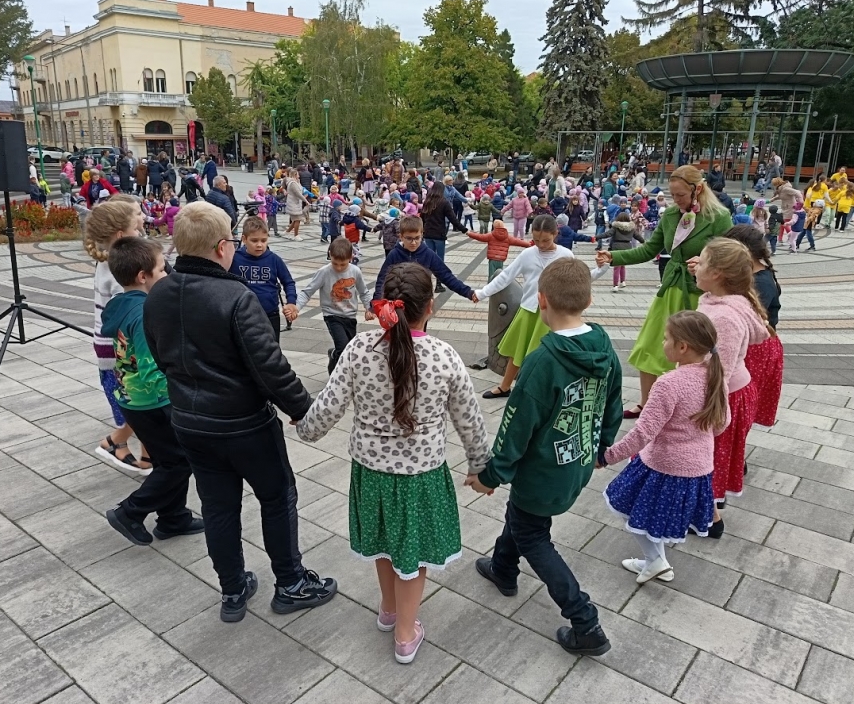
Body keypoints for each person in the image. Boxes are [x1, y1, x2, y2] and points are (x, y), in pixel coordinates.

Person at [143, 201, 338, 622]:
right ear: (222, 247)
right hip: (244, 424)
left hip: (191, 424)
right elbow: (269, 367)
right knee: (277, 496)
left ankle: (232, 589)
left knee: (218, 506)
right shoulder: (236, 296)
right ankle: (290, 582)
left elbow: (162, 356)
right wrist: (306, 411)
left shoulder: (157, 294)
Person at [297, 263, 489, 664]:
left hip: (370, 473)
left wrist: (305, 429)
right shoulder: (444, 356)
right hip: (421, 475)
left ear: (385, 304)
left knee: (385, 544)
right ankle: (405, 633)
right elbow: (469, 418)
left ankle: (389, 610)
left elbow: (327, 407)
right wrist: (479, 466)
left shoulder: (359, 349)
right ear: (430, 307)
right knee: (412, 554)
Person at [467, 258, 620, 657]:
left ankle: (585, 621)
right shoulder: (605, 349)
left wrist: (491, 474)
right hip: (578, 461)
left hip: (542, 473)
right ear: (588, 299)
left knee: (533, 535)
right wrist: (602, 446)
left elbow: (517, 428)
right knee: (524, 520)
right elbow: (613, 405)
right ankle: (502, 568)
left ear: (542, 300)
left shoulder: (541, 362)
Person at [596, 165, 733, 419]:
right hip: (670, 289)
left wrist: (705, 264)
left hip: (700, 294)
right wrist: (613, 256)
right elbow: (648, 250)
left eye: (681, 195)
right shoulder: (671, 215)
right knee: (649, 345)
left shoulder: (719, 217)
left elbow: (730, 257)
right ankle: (647, 406)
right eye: (673, 194)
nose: (676, 200)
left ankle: (688, 409)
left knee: (693, 354)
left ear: (698, 189)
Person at [600, 310, 730, 579]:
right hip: (699, 468)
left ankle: (654, 560)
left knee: (627, 506)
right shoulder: (716, 377)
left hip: (664, 465)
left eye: (666, 339)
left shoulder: (669, 384)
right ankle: (654, 562)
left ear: (682, 347)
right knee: (653, 517)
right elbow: (720, 425)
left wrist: (608, 456)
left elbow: (643, 433)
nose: (662, 343)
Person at [101, 236, 205, 545]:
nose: (167, 274)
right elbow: (150, 368)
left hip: (132, 400)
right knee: (181, 461)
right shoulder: (145, 311)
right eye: (162, 270)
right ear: (142, 276)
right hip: (153, 401)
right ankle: (130, 512)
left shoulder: (119, 305)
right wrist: (178, 397)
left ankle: (173, 518)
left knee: (166, 459)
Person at [689, 238, 770, 537]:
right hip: (725, 394)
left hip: (722, 398)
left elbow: (717, 372)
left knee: (704, 458)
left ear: (719, 274)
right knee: (703, 458)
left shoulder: (724, 317)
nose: (697, 264)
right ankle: (707, 516)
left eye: (704, 262)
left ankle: (710, 520)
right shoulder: (723, 299)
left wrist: (713, 414)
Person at [83, 196, 152, 474]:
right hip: (119, 351)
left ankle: (148, 459)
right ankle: (116, 441)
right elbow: (131, 310)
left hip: (114, 347)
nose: (141, 228)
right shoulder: (117, 268)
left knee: (147, 399)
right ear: (121, 236)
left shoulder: (109, 262)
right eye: (136, 228)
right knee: (143, 403)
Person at [477, 215, 577, 398]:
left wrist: (601, 269)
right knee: (517, 351)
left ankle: (542, 393)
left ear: (555, 234)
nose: (541, 244)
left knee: (547, 355)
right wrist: (482, 293)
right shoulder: (528, 254)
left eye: (545, 240)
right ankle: (505, 387)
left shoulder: (566, 255)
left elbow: (577, 280)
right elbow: (505, 276)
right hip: (529, 310)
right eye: (536, 239)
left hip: (554, 313)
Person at [725, 225, 783, 429]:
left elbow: (749, 318)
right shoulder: (749, 274)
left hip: (757, 349)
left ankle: (735, 453)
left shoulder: (762, 282)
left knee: (741, 403)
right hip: (750, 345)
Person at [295, 237, 375, 373]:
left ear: (351, 257)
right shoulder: (324, 272)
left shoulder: (355, 271)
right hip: (332, 315)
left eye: (342, 264)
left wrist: (370, 308)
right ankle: (335, 373)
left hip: (350, 316)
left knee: (350, 349)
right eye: (335, 263)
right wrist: (296, 308)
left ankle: (334, 354)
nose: (338, 268)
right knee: (343, 346)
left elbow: (364, 292)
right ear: (330, 255)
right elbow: (307, 292)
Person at [374, 215, 474, 301]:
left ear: (422, 235)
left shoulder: (428, 254)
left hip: (421, 302)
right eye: (409, 238)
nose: (413, 243)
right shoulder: (395, 254)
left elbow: (446, 276)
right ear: (401, 236)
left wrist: (468, 292)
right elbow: (382, 279)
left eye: (417, 238)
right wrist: (376, 302)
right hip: (398, 301)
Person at [234, 216, 298, 341]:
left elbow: (288, 282)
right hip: (243, 315)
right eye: (254, 240)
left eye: (263, 240)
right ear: (244, 239)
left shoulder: (274, 259)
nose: (259, 245)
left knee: (272, 350)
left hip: (270, 314)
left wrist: (291, 302)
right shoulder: (234, 258)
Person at [421, 181, 467, 292]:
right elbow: (453, 218)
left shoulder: (427, 201)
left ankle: (425, 285)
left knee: (429, 259)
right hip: (439, 235)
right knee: (439, 261)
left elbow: (422, 218)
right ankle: (438, 285)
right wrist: (464, 229)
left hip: (428, 234)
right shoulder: (444, 202)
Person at [466, 218, 532, 281]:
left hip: (493, 260)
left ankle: (490, 290)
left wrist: (469, 233)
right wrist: (529, 244)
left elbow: (480, 237)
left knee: (491, 276)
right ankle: (498, 289)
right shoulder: (508, 237)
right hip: (501, 260)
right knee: (499, 276)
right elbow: (518, 242)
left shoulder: (491, 235)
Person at [596, 211, 644, 292]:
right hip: (627, 246)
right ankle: (622, 281)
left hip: (617, 246)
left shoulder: (616, 227)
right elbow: (638, 236)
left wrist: (597, 237)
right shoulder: (631, 227)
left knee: (616, 267)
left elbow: (608, 234)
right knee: (623, 265)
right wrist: (644, 242)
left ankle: (615, 285)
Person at [284, 168, 308, 241]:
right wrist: (305, 200)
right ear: (295, 175)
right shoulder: (292, 183)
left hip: (296, 203)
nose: (299, 176)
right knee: (297, 219)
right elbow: (298, 193)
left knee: (295, 219)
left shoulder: (296, 182)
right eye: (298, 174)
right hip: (293, 203)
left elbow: (301, 189)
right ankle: (296, 235)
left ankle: (287, 232)